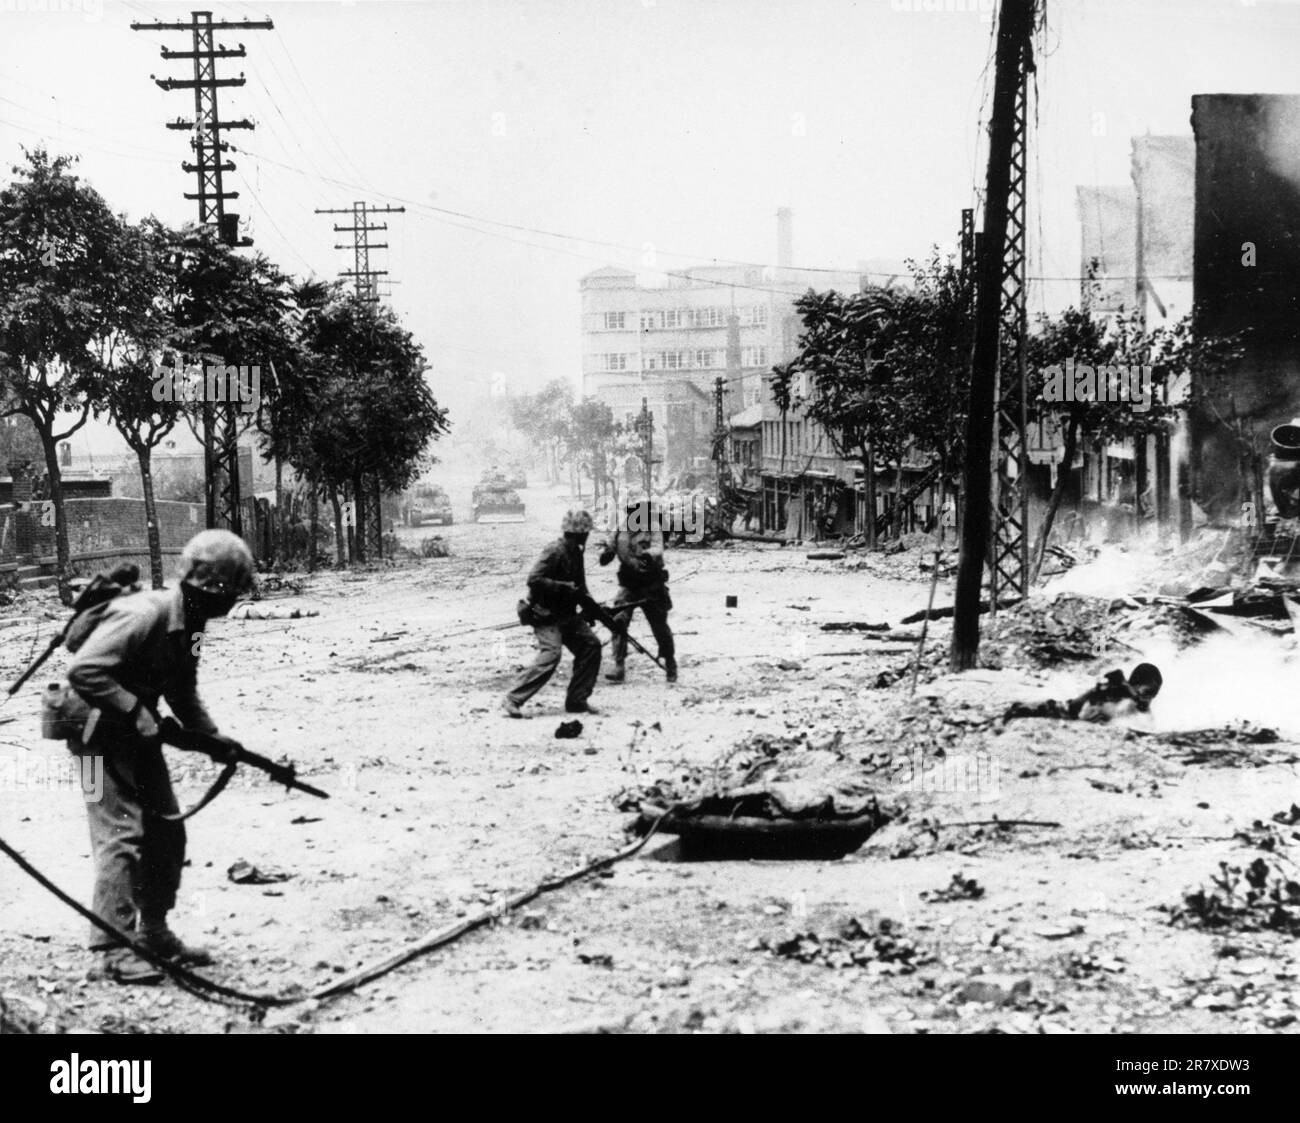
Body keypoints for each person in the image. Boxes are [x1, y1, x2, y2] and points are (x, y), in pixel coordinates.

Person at [65, 529, 255, 984]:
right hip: (90, 739)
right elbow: (83, 670)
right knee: (119, 833)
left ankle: (152, 931)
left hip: (133, 734)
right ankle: (111, 948)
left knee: (166, 827)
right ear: (210, 587)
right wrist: (135, 710)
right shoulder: (143, 614)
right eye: (229, 593)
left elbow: (183, 691)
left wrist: (213, 740)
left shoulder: (190, 628)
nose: (230, 605)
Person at [503, 509, 602, 718]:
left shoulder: (576, 552)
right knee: (551, 654)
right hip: (545, 614)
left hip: (567, 616)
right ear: (577, 533)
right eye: (585, 532)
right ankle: (513, 698)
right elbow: (533, 579)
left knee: (591, 645)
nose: (587, 535)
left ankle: (577, 699)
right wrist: (564, 587)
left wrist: (592, 609)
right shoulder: (554, 550)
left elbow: (581, 586)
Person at [599, 504, 677, 684]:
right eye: (632, 510)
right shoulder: (622, 528)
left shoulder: (654, 527)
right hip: (630, 584)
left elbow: (658, 548)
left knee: (659, 626)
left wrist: (646, 555)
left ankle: (670, 662)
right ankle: (619, 665)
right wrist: (607, 552)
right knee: (618, 620)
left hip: (651, 584)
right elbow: (609, 548)